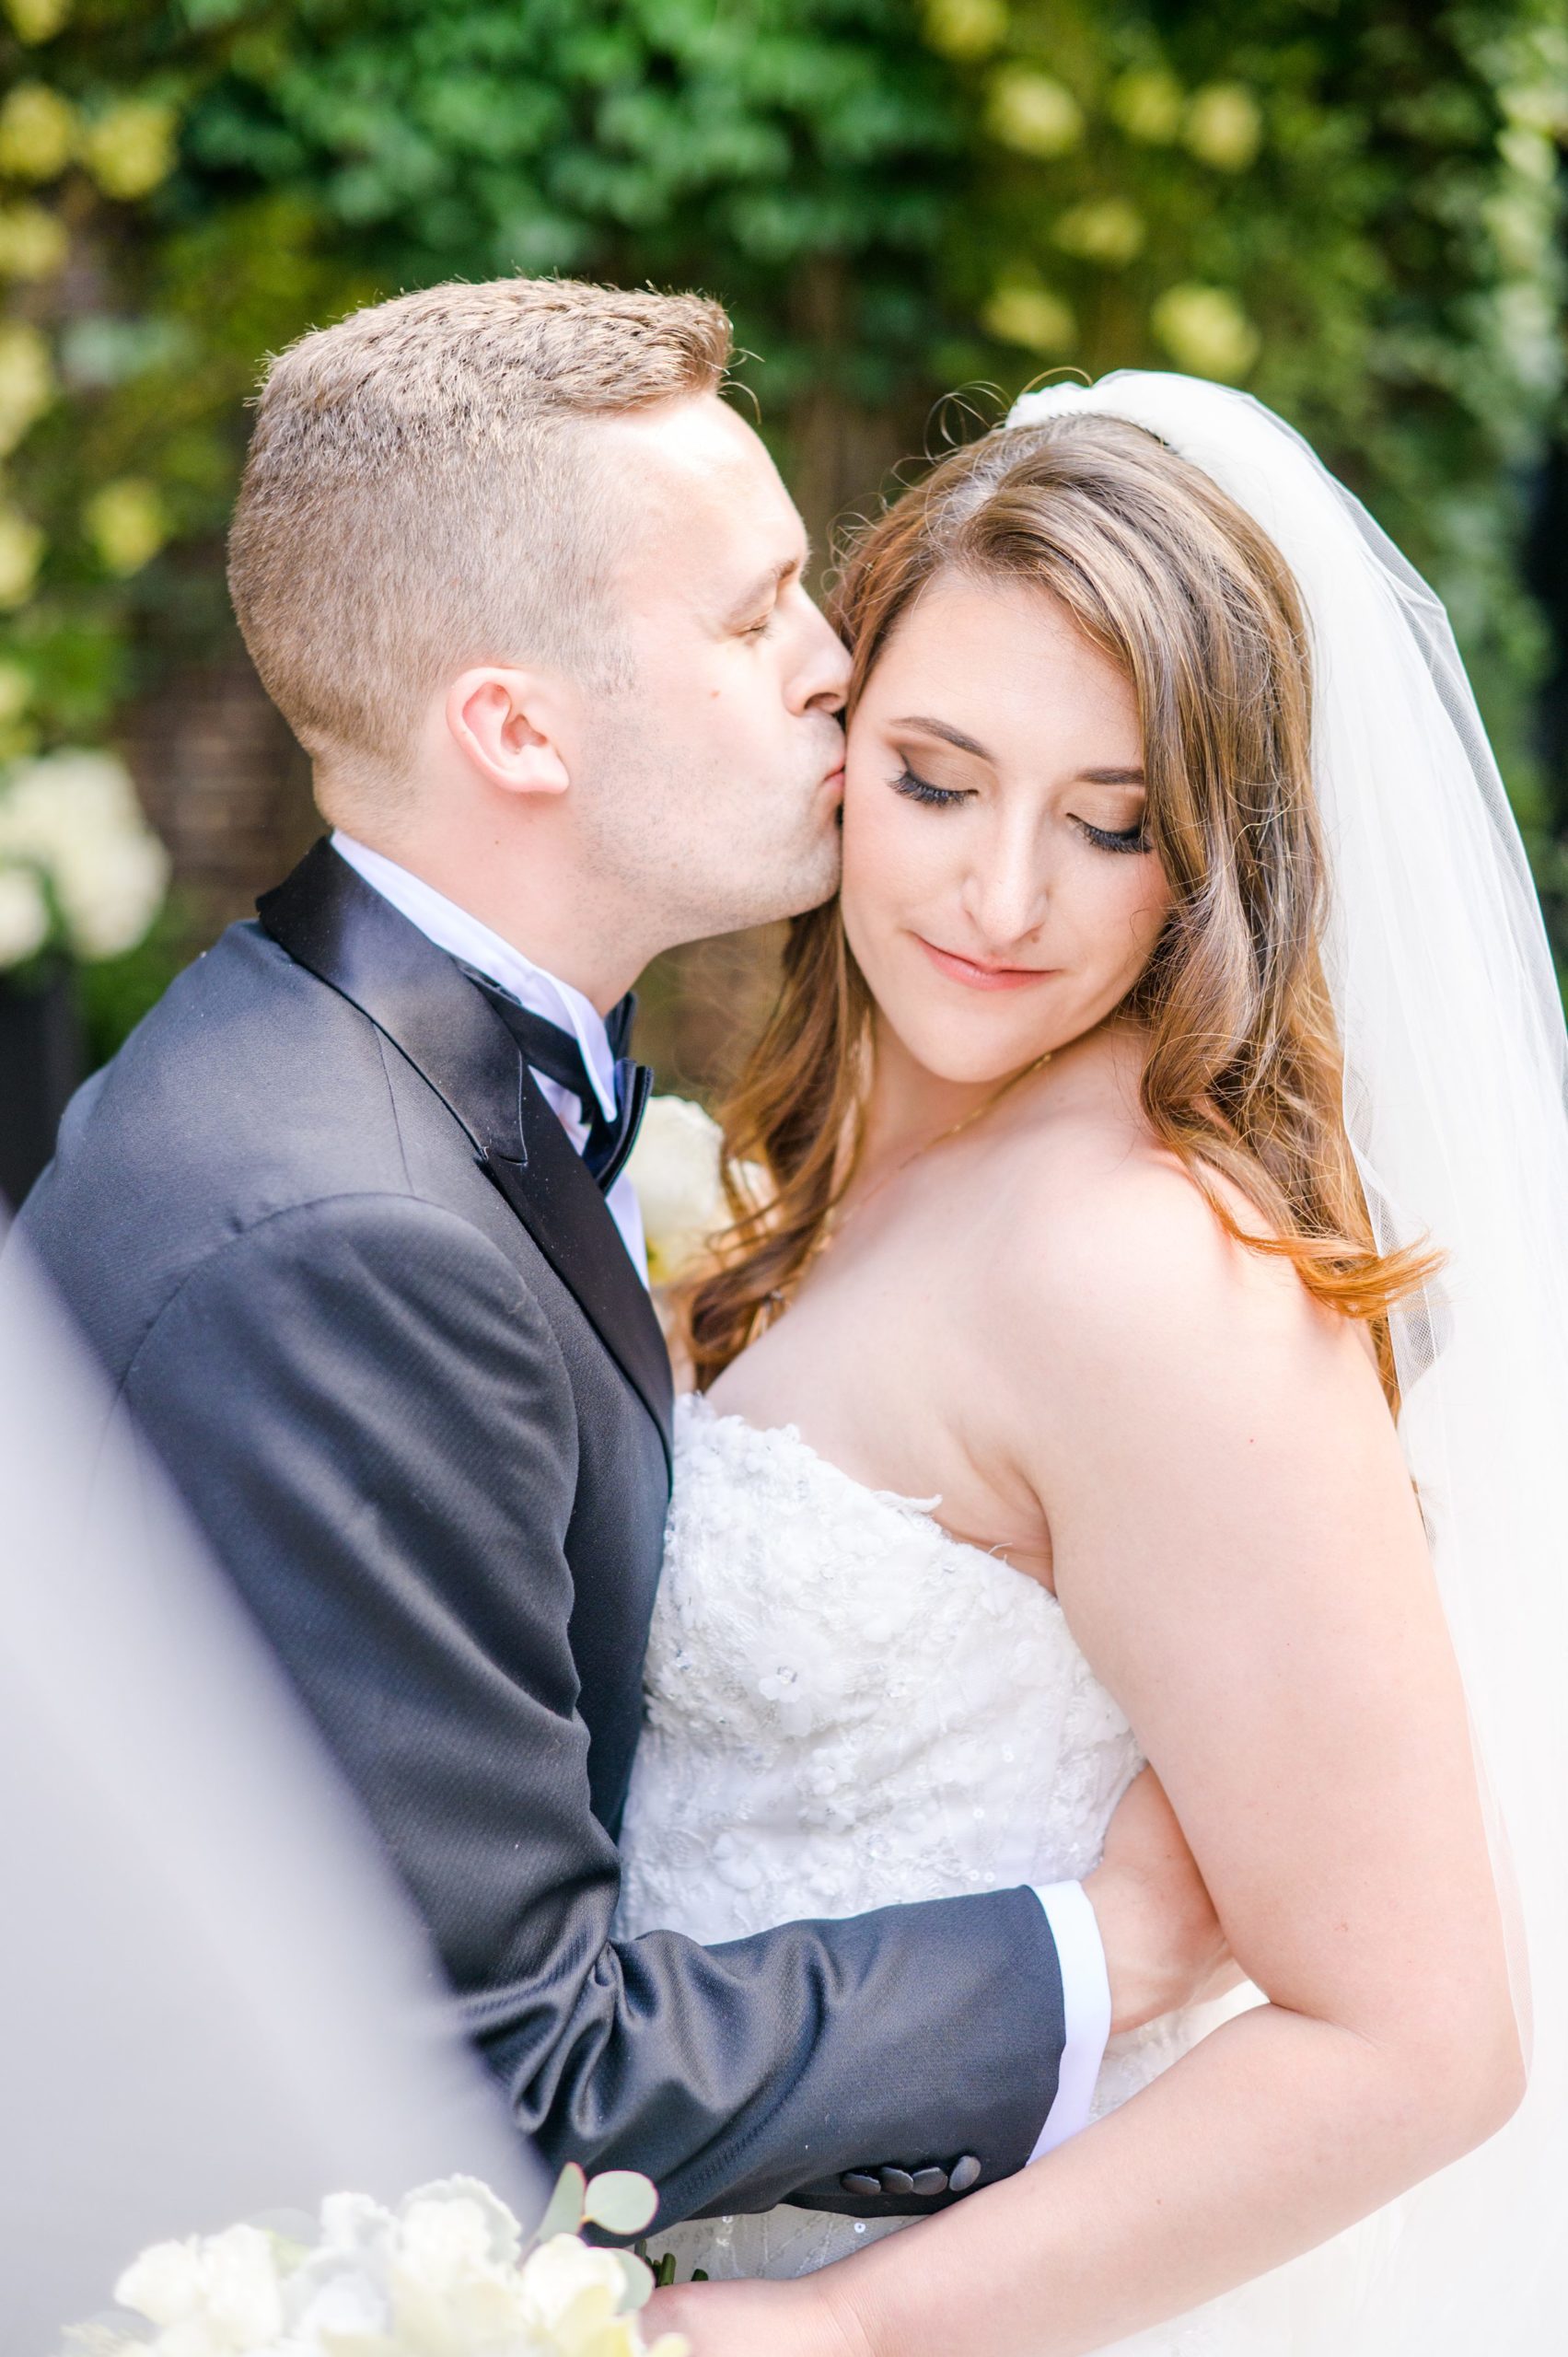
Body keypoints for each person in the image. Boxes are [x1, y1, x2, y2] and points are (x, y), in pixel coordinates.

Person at [9, 283, 1224, 2235]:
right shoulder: (343, 1232)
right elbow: (505, 2067)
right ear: (515, 727)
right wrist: (1108, 1945)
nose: (838, 664)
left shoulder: (383, 1080)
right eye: (752, 617)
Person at [633, 378, 1568, 2352]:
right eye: (937, 779)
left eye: (1113, 821)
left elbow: (1418, 2038)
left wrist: (847, 2328)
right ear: (836, 736)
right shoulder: (829, 1162)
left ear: (1213, 850)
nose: (999, 900)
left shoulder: (1146, 1267)